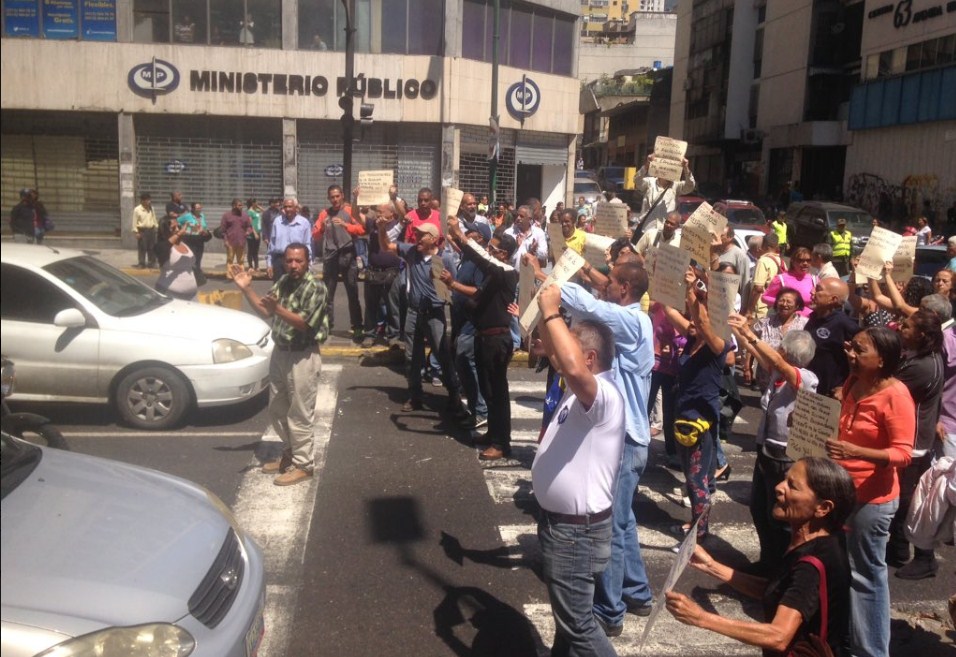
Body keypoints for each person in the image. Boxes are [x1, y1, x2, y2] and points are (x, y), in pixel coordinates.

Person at [666, 457, 855, 657]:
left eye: (793, 486)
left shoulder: (810, 566)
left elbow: (779, 636)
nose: (779, 488)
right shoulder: (827, 539)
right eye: (784, 480)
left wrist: (701, 618)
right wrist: (711, 566)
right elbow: (776, 591)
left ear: (823, 508)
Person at [532, 284, 625, 657]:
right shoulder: (581, 388)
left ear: (588, 358)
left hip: (575, 532)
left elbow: (567, 362)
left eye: (571, 345)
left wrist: (554, 311)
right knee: (568, 621)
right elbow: (558, 356)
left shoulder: (602, 395)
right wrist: (542, 311)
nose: (561, 352)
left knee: (579, 625)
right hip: (566, 526)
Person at [825, 327, 915, 657]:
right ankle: (849, 641)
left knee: (867, 577)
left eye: (860, 350)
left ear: (882, 360)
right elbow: (841, 425)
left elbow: (903, 453)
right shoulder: (852, 382)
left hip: (872, 502)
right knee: (846, 570)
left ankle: (872, 651)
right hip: (843, 491)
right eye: (852, 347)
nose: (851, 353)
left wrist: (856, 453)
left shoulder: (896, 396)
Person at [231, 243, 329, 487]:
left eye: (299, 261)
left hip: (302, 356)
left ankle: (304, 465)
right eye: (289, 261)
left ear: (308, 262)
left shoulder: (316, 287)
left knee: (300, 413)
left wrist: (278, 309)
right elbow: (266, 310)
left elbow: (303, 323)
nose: (294, 265)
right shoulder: (284, 282)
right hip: (281, 353)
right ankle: (290, 454)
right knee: (277, 408)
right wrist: (247, 289)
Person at [731, 316, 818, 568]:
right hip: (766, 449)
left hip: (785, 456)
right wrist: (742, 334)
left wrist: (750, 332)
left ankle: (781, 566)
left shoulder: (805, 378)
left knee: (779, 517)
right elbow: (761, 355)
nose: (777, 348)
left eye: (781, 346)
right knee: (759, 509)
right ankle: (767, 560)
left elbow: (776, 360)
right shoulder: (778, 373)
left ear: (787, 352)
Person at [663, 267, 731, 544]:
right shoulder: (692, 338)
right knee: (691, 477)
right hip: (684, 415)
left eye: (701, 313)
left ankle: (700, 532)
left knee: (696, 479)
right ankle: (696, 519)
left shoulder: (718, 344)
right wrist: (672, 282)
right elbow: (669, 310)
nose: (693, 318)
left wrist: (693, 291)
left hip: (700, 421)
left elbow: (702, 322)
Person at [443, 217, 519, 460]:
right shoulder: (494, 274)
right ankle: (493, 433)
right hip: (483, 337)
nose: (489, 251)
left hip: (497, 340)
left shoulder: (505, 272)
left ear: (504, 254)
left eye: (493, 249)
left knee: (498, 394)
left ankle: (501, 442)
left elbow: (481, 259)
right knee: (488, 390)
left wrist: (461, 236)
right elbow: (479, 293)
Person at [378, 219, 463, 415]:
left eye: (421, 235)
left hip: (434, 314)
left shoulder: (445, 258)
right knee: (412, 357)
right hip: (414, 312)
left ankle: (454, 396)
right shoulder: (411, 252)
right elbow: (386, 246)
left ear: (433, 239)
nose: (416, 237)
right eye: (416, 234)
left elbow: (454, 287)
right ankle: (415, 395)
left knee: (442, 355)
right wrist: (382, 228)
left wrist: (447, 286)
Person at [887, 310, 944, 580]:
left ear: (921, 335)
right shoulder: (918, 357)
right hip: (911, 438)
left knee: (909, 501)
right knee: (902, 498)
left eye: (907, 326)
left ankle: (924, 557)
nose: (901, 327)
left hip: (912, 442)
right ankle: (897, 548)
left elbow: (887, 390)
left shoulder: (922, 366)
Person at [313, 185, 365, 341]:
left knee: (352, 293)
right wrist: (320, 228)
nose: (335, 199)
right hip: (331, 256)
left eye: (337, 196)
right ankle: (327, 326)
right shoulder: (324, 213)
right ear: (329, 198)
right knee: (327, 295)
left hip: (348, 254)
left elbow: (362, 229)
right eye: (332, 197)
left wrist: (345, 225)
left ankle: (357, 327)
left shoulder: (350, 211)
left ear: (342, 195)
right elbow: (315, 234)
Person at [805, 278, 859, 398]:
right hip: (808, 392)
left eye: (818, 289)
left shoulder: (845, 325)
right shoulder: (813, 318)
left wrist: (845, 387)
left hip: (829, 397)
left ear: (833, 299)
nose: (812, 292)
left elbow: (861, 362)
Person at [361, 202, 404, 347]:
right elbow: (355, 215)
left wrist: (393, 198)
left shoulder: (399, 226)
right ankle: (369, 334)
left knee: (393, 306)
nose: (378, 214)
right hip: (373, 271)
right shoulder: (373, 224)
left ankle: (393, 336)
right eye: (377, 211)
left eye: (381, 211)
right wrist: (355, 199)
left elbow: (406, 215)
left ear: (391, 213)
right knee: (371, 306)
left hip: (391, 272)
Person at [751, 288, 809, 388]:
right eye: (781, 300)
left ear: (797, 305)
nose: (784, 304)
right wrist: (748, 366)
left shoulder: (805, 324)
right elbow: (751, 343)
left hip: (790, 377)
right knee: (765, 402)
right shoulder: (764, 322)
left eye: (789, 302)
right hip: (766, 375)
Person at [633, 154, 696, 236]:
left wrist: (686, 168)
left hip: (664, 233)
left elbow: (690, 186)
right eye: (666, 169)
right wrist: (647, 164)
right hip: (646, 230)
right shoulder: (650, 183)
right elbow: (637, 180)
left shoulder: (676, 186)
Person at [761, 247, 817, 317]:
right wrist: (784, 303)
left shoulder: (814, 280)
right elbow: (765, 297)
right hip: (784, 322)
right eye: (801, 260)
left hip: (808, 322)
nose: (805, 263)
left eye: (808, 260)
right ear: (793, 261)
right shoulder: (781, 279)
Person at [154, 217, 199, 301]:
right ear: (165, 231)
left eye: (179, 226)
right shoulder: (160, 246)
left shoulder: (184, 242)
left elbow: (205, 237)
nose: (178, 229)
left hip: (192, 295)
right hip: (169, 294)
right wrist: (179, 233)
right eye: (173, 228)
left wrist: (203, 232)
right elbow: (164, 247)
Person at [267, 198, 313, 281]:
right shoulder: (277, 222)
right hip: (280, 260)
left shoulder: (304, 223)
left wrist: (309, 263)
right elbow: (272, 244)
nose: (287, 209)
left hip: (297, 260)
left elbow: (307, 244)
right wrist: (269, 263)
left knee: (297, 289)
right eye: (285, 207)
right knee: (279, 290)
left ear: (296, 208)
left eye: (290, 207)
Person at [133, 192, 159, 269]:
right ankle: (141, 263)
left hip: (151, 230)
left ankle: (152, 262)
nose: (149, 202)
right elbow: (134, 221)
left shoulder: (151, 208)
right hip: (142, 231)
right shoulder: (137, 209)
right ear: (142, 201)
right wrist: (136, 232)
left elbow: (154, 218)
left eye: (149, 200)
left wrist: (156, 227)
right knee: (142, 247)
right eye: (147, 200)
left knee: (152, 247)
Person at [246, 198, 263, 271]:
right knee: (251, 250)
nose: (257, 203)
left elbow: (264, 212)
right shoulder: (249, 212)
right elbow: (250, 224)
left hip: (258, 232)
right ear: (252, 203)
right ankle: (250, 266)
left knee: (256, 251)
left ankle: (257, 266)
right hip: (252, 234)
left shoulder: (257, 210)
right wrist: (255, 233)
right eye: (256, 202)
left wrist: (258, 206)